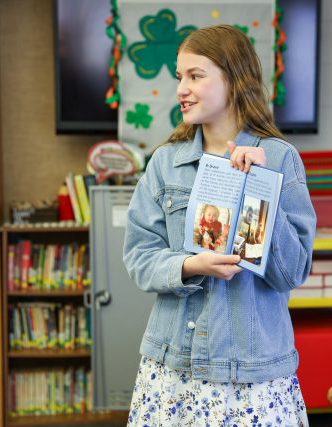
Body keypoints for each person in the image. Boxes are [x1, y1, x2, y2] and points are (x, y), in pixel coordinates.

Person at [123, 24, 316, 426]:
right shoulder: (164, 162)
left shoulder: (279, 159)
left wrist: (260, 187)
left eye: (195, 75)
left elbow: (291, 273)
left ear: (234, 80)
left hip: (253, 372)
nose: (181, 89)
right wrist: (192, 265)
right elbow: (140, 257)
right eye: (180, 77)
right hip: (174, 368)